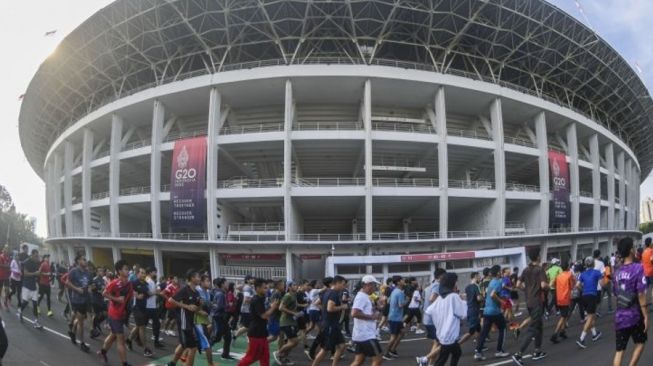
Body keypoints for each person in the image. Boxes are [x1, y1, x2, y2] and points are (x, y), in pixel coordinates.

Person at [612, 237, 649, 366]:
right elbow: (641, 294)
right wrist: (645, 315)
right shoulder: (638, 268)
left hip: (620, 316)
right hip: (634, 315)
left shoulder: (616, 271)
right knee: (640, 342)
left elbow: (616, 293)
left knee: (619, 351)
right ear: (631, 250)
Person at [511, 248, 549, 365]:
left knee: (539, 325)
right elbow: (543, 286)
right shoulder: (540, 270)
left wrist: (528, 291)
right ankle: (519, 354)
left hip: (529, 301)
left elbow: (518, 285)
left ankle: (537, 351)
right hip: (537, 301)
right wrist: (549, 286)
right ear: (537, 257)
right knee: (533, 328)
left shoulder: (525, 270)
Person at [97, 259, 134, 366]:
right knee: (120, 340)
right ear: (119, 271)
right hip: (114, 315)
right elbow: (104, 293)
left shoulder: (129, 284)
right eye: (125, 269)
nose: (128, 271)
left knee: (113, 335)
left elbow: (128, 299)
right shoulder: (114, 283)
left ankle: (102, 352)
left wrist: (127, 313)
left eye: (128, 269)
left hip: (122, 314)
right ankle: (125, 363)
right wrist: (117, 299)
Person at [238, 277, 280, 366]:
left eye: (267, 287)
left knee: (265, 356)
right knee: (252, 357)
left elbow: (264, 312)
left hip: (261, 332)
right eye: (264, 287)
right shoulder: (256, 300)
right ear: (257, 288)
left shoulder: (261, 298)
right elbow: (264, 316)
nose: (266, 289)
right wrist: (273, 307)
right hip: (256, 333)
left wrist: (271, 306)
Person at [427, 273, 467, 366]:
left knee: (456, 353)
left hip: (443, 334)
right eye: (456, 281)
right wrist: (463, 301)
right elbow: (463, 314)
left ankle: (425, 359)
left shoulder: (440, 298)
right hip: (450, 335)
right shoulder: (454, 296)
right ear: (452, 283)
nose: (457, 283)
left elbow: (429, 311)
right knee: (442, 360)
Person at [166, 270, 202, 366]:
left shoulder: (197, 293)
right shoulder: (185, 290)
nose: (199, 278)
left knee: (183, 345)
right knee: (193, 348)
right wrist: (187, 306)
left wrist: (198, 306)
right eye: (198, 276)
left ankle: (172, 363)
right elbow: (171, 300)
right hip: (184, 322)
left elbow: (197, 309)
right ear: (192, 278)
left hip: (191, 321)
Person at [474, 265, 510, 361]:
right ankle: (499, 351)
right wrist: (501, 302)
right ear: (498, 273)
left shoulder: (491, 282)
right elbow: (493, 294)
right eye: (500, 271)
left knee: (485, 332)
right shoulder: (498, 282)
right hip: (494, 311)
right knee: (503, 328)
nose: (501, 272)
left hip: (487, 311)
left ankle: (478, 352)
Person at [312, 275, 348, 366]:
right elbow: (330, 308)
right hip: (330, 325)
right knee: (325, 350)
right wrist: (342, 307)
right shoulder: (333, 293)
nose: (344, 287)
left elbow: (319, 305)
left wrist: (324, 310)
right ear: (337, 283)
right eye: (343, 284)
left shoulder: (328, 292)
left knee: (342, 346)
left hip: (332, 324)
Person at [350, 275, 383, 366]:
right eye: (374, 285)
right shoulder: (361, 297)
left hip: (362, 334)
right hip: (366, 335)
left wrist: (376, 310)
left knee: (359, 360)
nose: (375, 288)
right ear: (368, 285)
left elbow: (364, 311)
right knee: (378, 358)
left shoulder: (365, 296)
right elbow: (354, 313)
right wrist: (372, 317)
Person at [417, 268, 446, 365]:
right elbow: (432, 298)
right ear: (441, 276)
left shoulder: (430, 286)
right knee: (445, 343)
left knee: (437, 342)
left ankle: (429, 363)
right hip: (432, 320)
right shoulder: (437, 285)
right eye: (444, 275)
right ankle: (424, 359)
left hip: (427, 319)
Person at [576, 256, 605, 349]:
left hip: (584, 296)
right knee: (590, 317)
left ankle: (594, 334)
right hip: (592, 296)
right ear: (593, 264)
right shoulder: (597, 272)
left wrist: (583, 289)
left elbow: (577, 285)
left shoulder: (583, 274)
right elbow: (602, 284)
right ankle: (582, 338)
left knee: (589, 316)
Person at [67, 253, 92, 352]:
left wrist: (90, 288)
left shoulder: (87, 272)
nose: (85, 261)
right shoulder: (73, 271)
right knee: (81, 322)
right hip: (77, 300)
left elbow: (89, 284)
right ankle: (82, 343)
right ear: (78, 261)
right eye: (83, 259)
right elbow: (67, 282)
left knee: (80, 319)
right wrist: (77, 289)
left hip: (86, 299)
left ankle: (72, 332)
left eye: (85, 259)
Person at [127, 267, 154, 358]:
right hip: (136, 308)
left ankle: (129, 340)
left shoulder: (145, 283)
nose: (143, 274)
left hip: (144, 308)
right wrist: (137, 296)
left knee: (138, 326)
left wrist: (158, 292)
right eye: (141, 273)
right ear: (137, 273)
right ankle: (146, 349)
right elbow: (132, 292)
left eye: (144, 273)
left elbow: (149, 294)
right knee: (142, 327)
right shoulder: (134, 282)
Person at [275, 280, 302, 365]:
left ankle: (283, 358)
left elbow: (293, 307)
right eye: (294, 285)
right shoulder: (287, 296)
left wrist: (298, 313)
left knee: (294, 342)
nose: (296, 286)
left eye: (296, 285)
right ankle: (278, 353)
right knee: (294, 341)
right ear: (289, 287)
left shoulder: (293, 295)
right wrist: (294, 313)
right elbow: (281, 307)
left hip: (292, 321)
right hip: (286, 322)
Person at [194, 274, 217, 366]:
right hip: (197, 321)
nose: (209, 283)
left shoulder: (207, 292)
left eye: (209, 281)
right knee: (207, 343)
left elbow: (207, 305)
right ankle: (210, 364)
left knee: (192, 343)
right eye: (207, 281)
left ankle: (181, 356)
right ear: (201, 282)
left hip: (204, 320)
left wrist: (212, 305)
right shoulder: (198, 291)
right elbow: (193, 305)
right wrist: (199, 312)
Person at [383, 275, 407, 361]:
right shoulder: (400, 292)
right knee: (393, 336)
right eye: (402, 280)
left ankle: (392, 350)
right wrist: (406, 301)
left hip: (394, 316)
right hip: (395, 317)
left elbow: (389, 301)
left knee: (402, 333)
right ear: (398, 282)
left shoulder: (394, 291)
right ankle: (386, 353)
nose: (403, 281)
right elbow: (400, 305)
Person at [550, 261, 575, 343]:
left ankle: (562, 331)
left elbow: (552, 284)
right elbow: (572, 285)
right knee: (563, 316)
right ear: (568, 267)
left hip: (559, 297)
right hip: (565, 298)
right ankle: (555, 334)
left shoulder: (558, 276)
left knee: (564, 315)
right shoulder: (569, 275)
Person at [18, 249, 43, 329]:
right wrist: (35, 274)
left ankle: (36, 322)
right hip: (26, 286)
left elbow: (37, 273)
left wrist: (40, 274)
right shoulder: (26, 262)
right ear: (31, 255)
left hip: (34, 286)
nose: (37, 258)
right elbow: (25, 274)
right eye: (36, 256)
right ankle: (20, 311)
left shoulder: (36, 263)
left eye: (37, 256)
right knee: (25, 302)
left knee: (35, 304)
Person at [458, 272, 482, 346]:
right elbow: (478, 298)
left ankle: (479, 346)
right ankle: (457, 345)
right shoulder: (476, 286)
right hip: (474, 310)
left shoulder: (467, 287)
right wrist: (483, 297)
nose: (480, 278)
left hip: (470, 309)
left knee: (478, 329)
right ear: (475, 277)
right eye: (479, 276)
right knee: (471, 331)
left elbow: (465, 296)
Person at [145, 267, 163, 348]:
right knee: (142, 326)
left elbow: (154, 293)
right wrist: (156, 292)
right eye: (155, 272)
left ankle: (156, 341)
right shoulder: (148, 281)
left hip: (152, 306)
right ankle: (131, 339)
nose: (156, 274)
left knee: (157, 324)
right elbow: (147, 294)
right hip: (147, 307)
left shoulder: (152, 281)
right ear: (150, 273)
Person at [234, 274, 255, 342]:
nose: (253, 280)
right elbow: (246, 299)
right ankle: (234, 336)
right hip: (246, 310)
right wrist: (255, 299)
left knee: (248, 326)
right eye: (251, 278)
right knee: (247, 326)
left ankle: (238, 336)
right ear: (247, 280)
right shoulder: (247, 288)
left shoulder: (250, 287)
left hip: (249, 310)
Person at [90, 266, 108, 339]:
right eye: (100, 271)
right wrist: (97, 289)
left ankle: (97, 323)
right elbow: (92, 289)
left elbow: (104, 288)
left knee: (106, 313)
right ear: (97, 272)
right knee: (96, 314)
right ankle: (93, 329)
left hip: (101, 300)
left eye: (102, 271)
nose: (102, 272)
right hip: (95, 300)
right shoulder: (94, 280)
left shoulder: (103, 280)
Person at [641, 237, 653, 311]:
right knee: (652, 289)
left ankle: (643, 303)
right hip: (651, 272)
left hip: (645, 272)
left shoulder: (644, 252)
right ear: (649, 243)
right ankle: (652, 305)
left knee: (645, 289)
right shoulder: (651, 251)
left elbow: (642, 263)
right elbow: (652, 261)